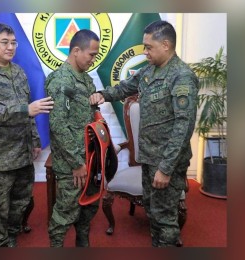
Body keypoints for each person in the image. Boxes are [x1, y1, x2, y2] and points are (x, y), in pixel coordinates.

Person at [89, 20, 198, 247]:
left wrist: (166, 169)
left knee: (165, 218)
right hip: (148, 157)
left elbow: (183, 126)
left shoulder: (182, 76)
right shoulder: (149, 70)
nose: (145, 52)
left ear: (166, 45)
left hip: (167, 162)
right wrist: (102, 94)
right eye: (144, 47)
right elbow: (125, 87)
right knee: (152, 211)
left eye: (149, 47)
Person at [0, 23, 54, 247]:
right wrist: (26, 110)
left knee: (21, 200)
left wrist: (35, 140)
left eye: (13, 42)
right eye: (4, 42)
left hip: (22, 152)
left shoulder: (18, 71)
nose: (11, 47)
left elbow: (29, 110)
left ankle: (11, 236)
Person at [45, 29, 100, 247]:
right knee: (65, 212)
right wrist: (77, 164)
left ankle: (82, 245)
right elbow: (58, 125)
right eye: (91, 55)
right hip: (72, 163)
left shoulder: (86, 80)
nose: (93, 60)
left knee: (88, 209)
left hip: (90, 157)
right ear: (76, 50)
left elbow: (90, 116)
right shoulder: (61, 81)